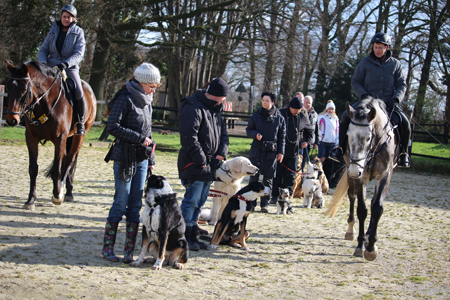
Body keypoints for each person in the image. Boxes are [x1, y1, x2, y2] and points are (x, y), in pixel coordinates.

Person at [101, 63, 161, 262]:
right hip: (124, 158)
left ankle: (129, 251)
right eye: (152, 86)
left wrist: (151, 158)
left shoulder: (148, 101)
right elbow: (112, 126)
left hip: (142, 160)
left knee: (135, 206)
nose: (154, 90)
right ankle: (107, 249)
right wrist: (137, 138)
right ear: (142, 82)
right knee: (120, 203)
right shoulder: (124, 98)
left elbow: (149, 132)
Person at [329, 32, 411, 167]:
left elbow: (402, 84)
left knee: (405, 123)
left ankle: (403, 153)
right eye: (375, 47)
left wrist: (396, 98)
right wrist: (364, 95)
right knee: (345, 115)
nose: (377, 50)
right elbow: (355, 81)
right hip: (367, 101)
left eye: (380, 47)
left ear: (387, 48)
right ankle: (340, 149)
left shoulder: (395, 64)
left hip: (388, 103)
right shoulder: (365, 62)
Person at [178, 78, 229, 251]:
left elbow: (224, 134)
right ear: (218, 96)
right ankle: (183, 236)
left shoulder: (216, 110)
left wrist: (222, 153)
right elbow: (188, 137)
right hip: (194, 163)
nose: (225, 101)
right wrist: (201, 160)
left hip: (210, 164)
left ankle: (192, 234)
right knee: (191, 201)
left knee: (199, 202)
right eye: (224, 97)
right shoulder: (193, 107)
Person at [38, 4, 87, 135]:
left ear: (74, 19)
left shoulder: (79, 32)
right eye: (64, 16)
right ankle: (29, 117)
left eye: (69, 17)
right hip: (50, 66)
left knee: (78, 91)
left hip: (69, 67)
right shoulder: (53, 30)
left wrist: (65, 64)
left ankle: (80, 122)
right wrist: (43, 64)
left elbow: (79, 54)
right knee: (34, 85)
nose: (66, 19)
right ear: (61, 17)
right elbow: (43, 50)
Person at [246, 91, 286, 213]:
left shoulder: (279, 118)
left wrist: (281, 152)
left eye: (267, 101)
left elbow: (282, 137)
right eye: (263, 100)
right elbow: (248, 130)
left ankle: (265, 204)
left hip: (271, 152)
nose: (264, 102)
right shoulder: (255, 116)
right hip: (256, 150)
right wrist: (255, 134)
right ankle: (251, 203)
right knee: (253, 177)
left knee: (268, 179)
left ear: (273, 102)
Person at [271, 97, 313, 203]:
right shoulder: (280, 114)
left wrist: (307, 142)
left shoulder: (303, 116)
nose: (297, 112)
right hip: (281, 150)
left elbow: (310, 131)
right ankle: (275, 195)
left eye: (299, 110)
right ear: (290, 107)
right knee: (278, 174)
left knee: (291, 175)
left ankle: (287, 196)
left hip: (295, 151)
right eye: (295, 110)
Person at [318, 100, 339, 186]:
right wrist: (320, 136)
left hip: (332, 143)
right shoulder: (322, 117)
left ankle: (328, 181)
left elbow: (337, 131)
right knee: (320, 161)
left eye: (332, 109)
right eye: (329, 109)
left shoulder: (335, 119)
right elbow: (318, 127)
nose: (331, 111)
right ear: (326, 109)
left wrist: (336, 141)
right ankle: (319, 179)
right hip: (323, 142)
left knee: (330, 162)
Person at [301, 95, 319, 171]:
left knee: (305, 161)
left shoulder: (315, 114)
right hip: (301, 140)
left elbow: (317, 129)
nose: (308, 104)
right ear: (303, 103)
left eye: (309, 103)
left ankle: (301, 176)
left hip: (309, 141)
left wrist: (316, 142)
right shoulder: (300, 112)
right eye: (306, 102)